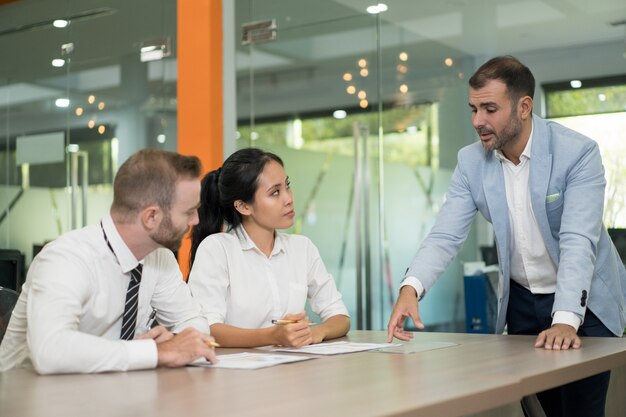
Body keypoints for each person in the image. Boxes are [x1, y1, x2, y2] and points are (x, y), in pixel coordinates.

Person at [387, 56, 626, 417]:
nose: (477, 121)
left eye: (489, 109)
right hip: (523, 304)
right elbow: (445, 234)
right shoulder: (471, 162)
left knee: (581, 410)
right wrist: (411, 287)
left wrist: (564, 320)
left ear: (524, 107)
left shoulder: (577, 153)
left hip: (584, 304)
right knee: (544, 409)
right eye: (473, 109)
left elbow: (579, 240)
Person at [0, 149, 218, 374]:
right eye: (189, 212)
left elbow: (194, 322)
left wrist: (175, 340)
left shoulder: (158, 256)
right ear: (151, 217)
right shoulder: (66, 258)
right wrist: (156, 352)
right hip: (28, 399)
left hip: (108, 394)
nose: (196, 220)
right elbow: (50, 351)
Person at [188, 147, 350, 348]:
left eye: (287, 186)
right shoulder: (217, 249)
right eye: (275, 192)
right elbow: (207, 328)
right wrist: (274, 336)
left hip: (292, 370)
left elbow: (340, 317)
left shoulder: (303, 248)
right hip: (233, 375)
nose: (289, 198)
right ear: (243, 206)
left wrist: (315, 332)